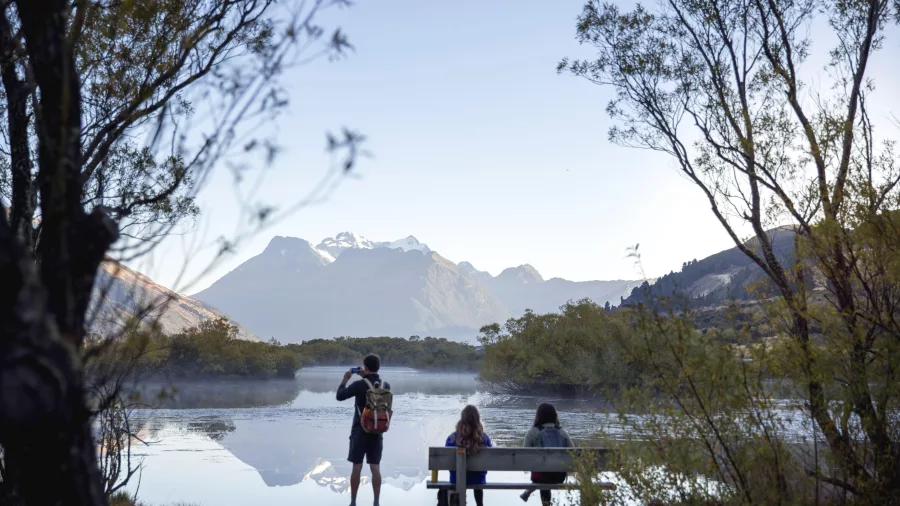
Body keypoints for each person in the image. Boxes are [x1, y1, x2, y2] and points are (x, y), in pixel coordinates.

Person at [337, 354, 391, 506]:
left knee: (357, 466)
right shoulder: (385, 386)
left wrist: (346, 379)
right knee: (375, 467)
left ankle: (353, 502)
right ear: (378, 367)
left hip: (359, 431)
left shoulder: (359, 385)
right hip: (377, 430)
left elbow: (340, 396)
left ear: (365, 367)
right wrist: (367, 375)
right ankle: (376, 502)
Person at [520, 403, 575, 505]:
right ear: (554, 415)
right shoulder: (562, 432)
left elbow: (525, 455)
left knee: (542, 471)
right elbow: (573, 451)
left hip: (540, 475)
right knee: (546, 470)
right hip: (559, 475)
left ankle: (543, 501)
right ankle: (532, 493)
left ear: (538, 416)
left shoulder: (532, 432)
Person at [438, 405, 492, 506]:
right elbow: (490, 460)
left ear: (462, 419)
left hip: (456, 478)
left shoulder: (452, 438)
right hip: (478, 479)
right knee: (477, 477)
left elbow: (447, 462)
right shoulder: (484, 438)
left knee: (460, 477)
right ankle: (480, 504)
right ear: (477, 419)